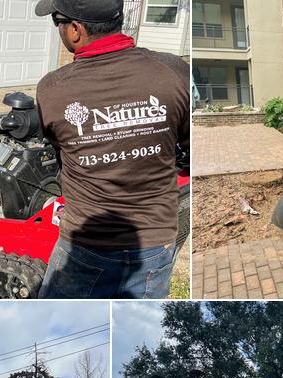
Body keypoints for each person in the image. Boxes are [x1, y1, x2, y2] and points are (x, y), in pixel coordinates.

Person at [34, 0, 190, 299]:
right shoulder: (173, 72)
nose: (59, 30)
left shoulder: (52, 90)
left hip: (85, 249)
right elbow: (182, 142)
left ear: (76, 30)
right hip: (156, 245)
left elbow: (58, 149)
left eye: (58, 22)